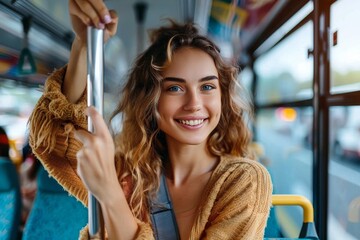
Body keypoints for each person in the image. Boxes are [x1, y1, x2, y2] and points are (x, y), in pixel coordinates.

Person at [28, 0, 273, 239]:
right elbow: (53, 139)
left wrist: (110, 194)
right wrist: (83, 43)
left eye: (207, 87)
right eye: (175, 89)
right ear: (151, 100)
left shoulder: (244, 181)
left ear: (222, 96)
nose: (194, 104)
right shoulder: (129, 174)